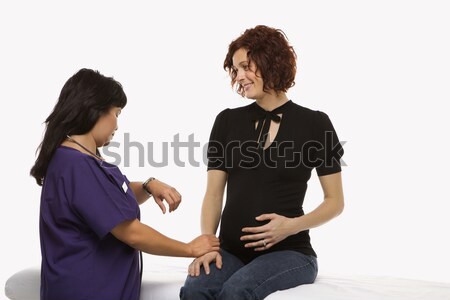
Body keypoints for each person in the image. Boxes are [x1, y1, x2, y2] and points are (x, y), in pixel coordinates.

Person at [180, 25, 345, 299]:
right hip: (230, 252)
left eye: (246, 66)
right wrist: (208, 245)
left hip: (290, 252)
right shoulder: (227, 120)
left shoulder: (315, 123)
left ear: (271, 61)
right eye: (235, 69)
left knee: (237, 290)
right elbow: (213, 193)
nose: (239, 76)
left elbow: (335, 202)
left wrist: (290, 226)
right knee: (195, 289)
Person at [30, 68, 220, 300]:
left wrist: (149, 185)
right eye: (117, 113)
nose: (117, 126)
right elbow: (131, 233)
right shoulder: (76, 166)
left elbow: (108, 199)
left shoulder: (73, 160)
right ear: (95, 110)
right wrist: (189, 248)